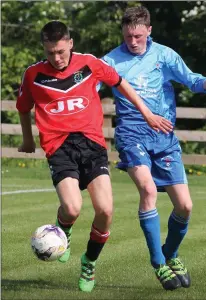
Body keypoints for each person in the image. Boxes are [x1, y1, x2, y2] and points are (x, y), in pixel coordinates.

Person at [16, 20, 173, 293]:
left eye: (61, 52)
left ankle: (89, 262)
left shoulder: (89, 64)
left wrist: (147, 113)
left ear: (70, 44)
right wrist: (28, 139)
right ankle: (64, 228)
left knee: (106, 211)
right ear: (44, 47)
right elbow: (23, 107)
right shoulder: (33, 74)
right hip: (59, 147)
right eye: (51, 52)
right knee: (73, 208)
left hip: (92, 145)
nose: (56, 58)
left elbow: (121, 84)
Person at [103, 6, 206, 291]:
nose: (132, 41)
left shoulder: (165, 55)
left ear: (148, 31)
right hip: (132, 133)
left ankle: (170, 254)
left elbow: (193, 80)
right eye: (128, 36)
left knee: (185, 205)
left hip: (164, 136)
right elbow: (85, 86)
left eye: (137, 35)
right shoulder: (109, 61)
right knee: (147, 190)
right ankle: (158, 262)